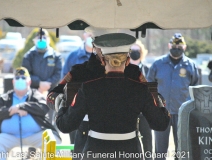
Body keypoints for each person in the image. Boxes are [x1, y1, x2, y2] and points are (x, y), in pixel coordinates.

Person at [56, 32, 171, 160]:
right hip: (130, 152)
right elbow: (160, 124)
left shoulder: (88, 88)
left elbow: (66, 126)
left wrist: (62, 106)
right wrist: (160, 104)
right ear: (128, 61)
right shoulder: (140, 89)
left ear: (103, 60)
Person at [146, 33, 200, 160]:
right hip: (161, 112)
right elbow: (149, 87)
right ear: (169, 46)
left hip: (183, 113)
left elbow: (195, 89)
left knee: (182, 148)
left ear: (185, 47)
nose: (176, 48)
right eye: (174, 45)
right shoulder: (157, 64)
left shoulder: (190, 65)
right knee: (160, 150)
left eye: (179, 46)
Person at [0, 67, 61, 160]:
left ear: (29, 82)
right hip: (10, 136)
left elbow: (44, 107)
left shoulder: (36, 95)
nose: (20, 80)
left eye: (23, 78)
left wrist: (22, 106)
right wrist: (12, 111)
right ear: (13, 81)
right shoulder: (5, 97)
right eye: (17, 78)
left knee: (53, 141)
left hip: (36, 135)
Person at [129, 40, 152, 159]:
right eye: (132, 50)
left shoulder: (147, 69)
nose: (135, 53)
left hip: (144, 111)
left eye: (137, 50)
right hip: (129, 111)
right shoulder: (124, 69)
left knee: (147, 140)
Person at [22, 29, 62, 93]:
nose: (41, 39)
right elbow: (26, 74)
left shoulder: (56, 56)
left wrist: (47, 84)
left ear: (49, 40)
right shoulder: (28, 56)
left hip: (52, 92)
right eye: (39, 37)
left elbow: (58, 74)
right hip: (32, 92)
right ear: (34, 41)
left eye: (44, 37)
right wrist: (39, 83)